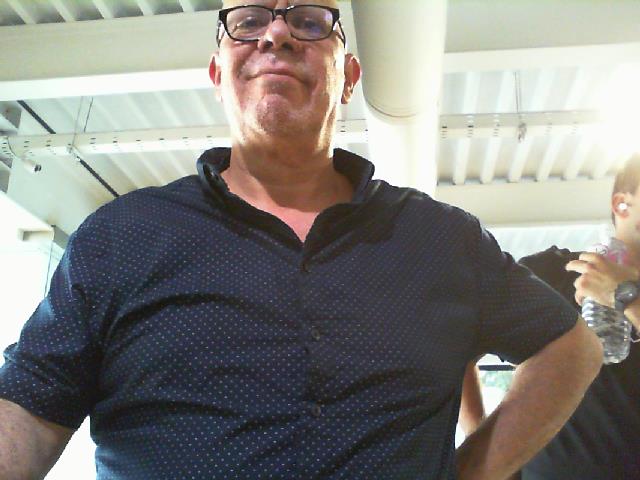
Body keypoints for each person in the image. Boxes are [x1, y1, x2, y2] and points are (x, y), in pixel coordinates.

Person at [0, 1, 602, 479]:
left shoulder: (442, 239)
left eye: (310, 21)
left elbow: (572, 349)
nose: (276, 34)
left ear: (349, 79)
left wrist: (473, 472)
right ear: (218, 74)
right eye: (248, 20)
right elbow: (29, 407)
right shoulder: (121, 235)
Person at [519, 154, 640, 480]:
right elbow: (457, 350)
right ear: (622, 205)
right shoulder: (548, 273)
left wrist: (625, 294)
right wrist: (494, 463)